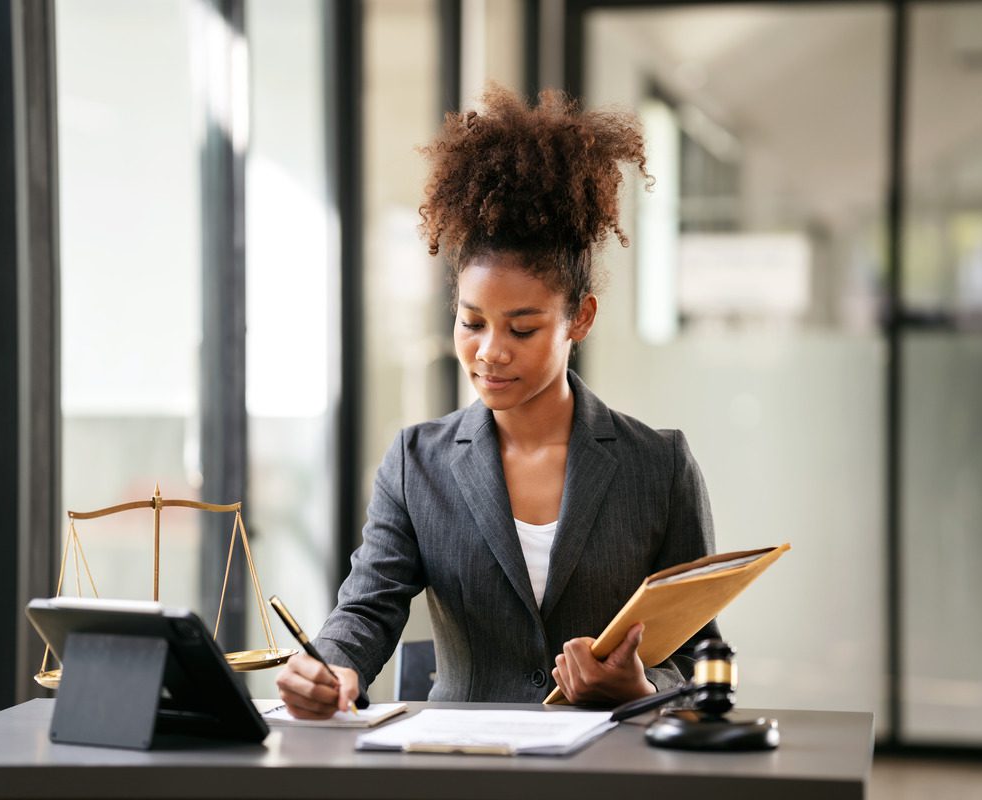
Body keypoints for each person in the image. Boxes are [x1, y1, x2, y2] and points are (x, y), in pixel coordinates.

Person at [276, 85, 718, 719]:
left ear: (580, 318)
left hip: (614, 767)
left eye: (522, 327)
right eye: (471, 321)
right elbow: (368, 608)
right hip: (461, 766)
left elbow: (705, 657)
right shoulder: (415, 461)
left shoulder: (659, 466)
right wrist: (330, 669)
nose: (490, 351)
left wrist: (643, 689)